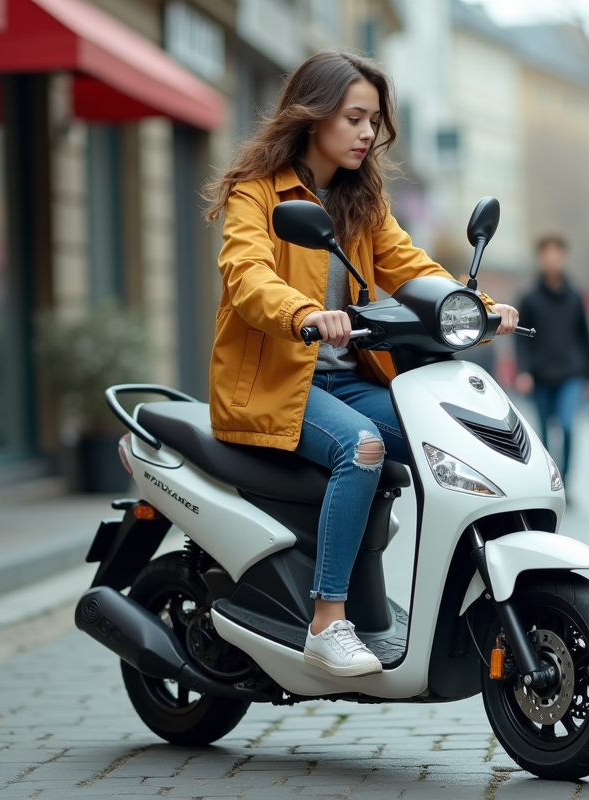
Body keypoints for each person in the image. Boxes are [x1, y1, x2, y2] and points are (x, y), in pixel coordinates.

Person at [203, 50, 519, 676]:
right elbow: (247, 275)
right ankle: (328, 620)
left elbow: (412, 268)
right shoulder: (256, 194)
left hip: (350, 381)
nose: (367, 133)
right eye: (354, 118)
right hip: (276, 387)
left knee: (452, 438)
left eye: (373, 121)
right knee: (364, 448)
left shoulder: (361, 203)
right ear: (314, 115)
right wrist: (304, 314)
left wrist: (475, 307)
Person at [514, 235, 589, 485]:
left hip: (571, 373)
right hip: (540, 375)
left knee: (568, 426)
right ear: (540, 259)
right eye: (546, 254)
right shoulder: (529, 298)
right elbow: (520, 339)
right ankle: (550, 481)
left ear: (563, 257)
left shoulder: (576, 297)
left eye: (556, 254)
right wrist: (523, 371)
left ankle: (567, 479)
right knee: (544, 435)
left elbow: (585, 337)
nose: (551, 259)